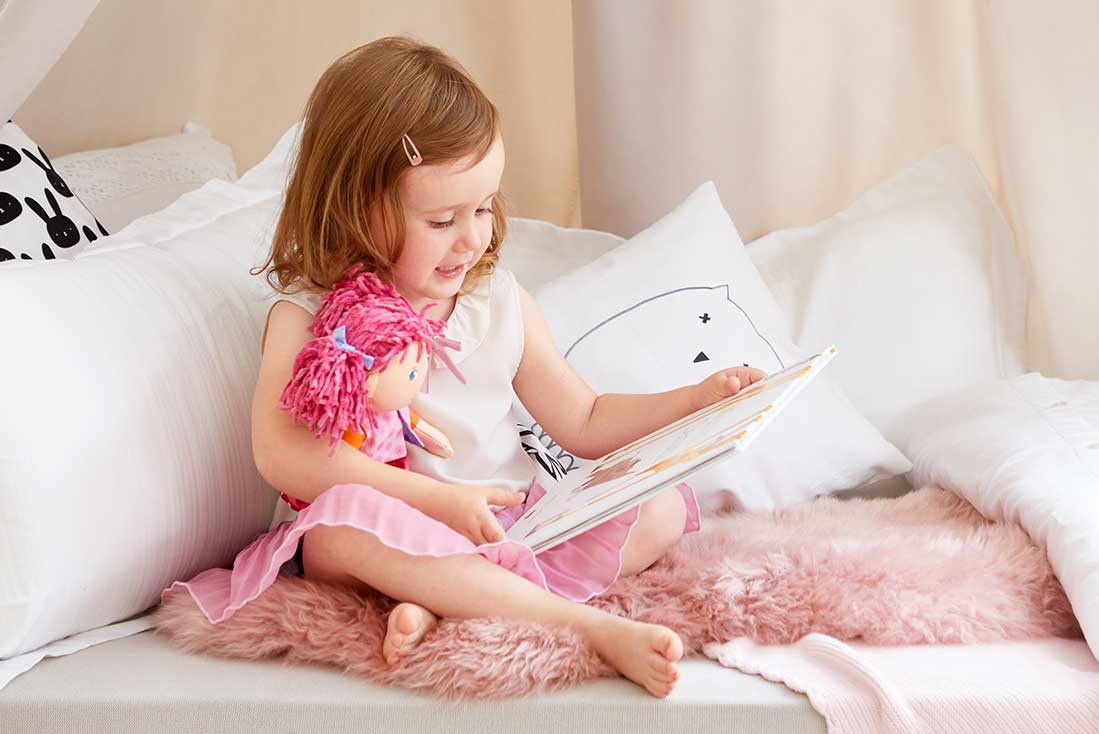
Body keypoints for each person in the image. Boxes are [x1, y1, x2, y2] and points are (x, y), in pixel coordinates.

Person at [194, 36, 764, 698]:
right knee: (338, 527)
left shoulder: (496, 299)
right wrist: (441, 501)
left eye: (484, 208)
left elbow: (584, 419)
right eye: (442, 220)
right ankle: (579, 623)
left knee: (660, 506)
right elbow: (288, 459)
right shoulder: (309, 316)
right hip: (392, 524)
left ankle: (451, 599)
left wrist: (693, 400)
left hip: (505, 524)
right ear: (355, 207)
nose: (473, 238)